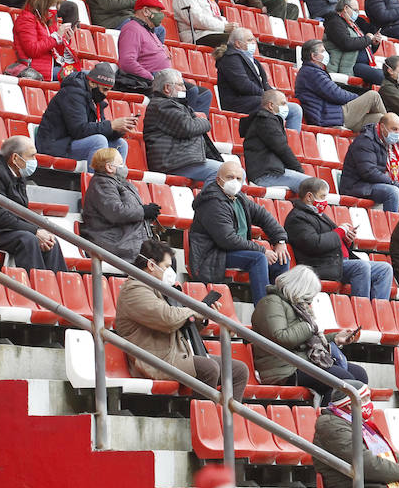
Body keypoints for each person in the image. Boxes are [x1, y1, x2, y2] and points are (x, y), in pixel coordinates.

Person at [116, 238, 249, 394]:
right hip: (155, 359)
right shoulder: (134, 290)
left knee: (239, 370)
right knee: (209, 369)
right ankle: (203, 415)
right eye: (166, 266)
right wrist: (196, 310)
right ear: (151, 265)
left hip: (177, 353)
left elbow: (183, 324)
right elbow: (168, 318)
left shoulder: (160, 289)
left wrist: (203, 315)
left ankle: (224, 417)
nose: (170, 272)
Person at [251, 265, 368, 397]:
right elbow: (281, 337)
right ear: (298, 289)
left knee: (359, 375)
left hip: (302, 361)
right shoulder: (270, 303)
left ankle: (348, 416)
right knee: (344, 381)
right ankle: (330, 417)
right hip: (284, 368)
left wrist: (334, 338)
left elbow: (307, 338)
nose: (310, 300)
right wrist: (309, 326)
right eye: (308, 296)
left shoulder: (296, 306)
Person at [188, 160, 290, 303]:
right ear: (219, 180)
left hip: (235, 250)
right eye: (230, 177)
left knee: (281, 259)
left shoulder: (239, 198)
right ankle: (264, 309)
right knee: (258, 258)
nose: (234, 181)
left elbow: (265, 217)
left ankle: (280, 306)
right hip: (214, 254)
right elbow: (227, 239)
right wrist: (262, 250)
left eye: (238, 178)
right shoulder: (212, 202)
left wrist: (279, 241)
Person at [0, 136, 67, 271]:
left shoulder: (17, 174)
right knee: (28, 239)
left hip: (2, 227)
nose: (35, 161)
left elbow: (20, 211)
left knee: (50, 240)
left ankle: (55, 288)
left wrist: (40, 229)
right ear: (15, 158)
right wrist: (34, 231)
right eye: (32, 156)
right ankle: (36, 288)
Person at [284, 178, 392, 300]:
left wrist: (347, 239)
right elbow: (314, 244)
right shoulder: (297, 218)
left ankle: (378, 311)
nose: (325, 200)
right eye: (322, 196)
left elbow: (335, 237)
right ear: (309, 196)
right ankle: (363, 311)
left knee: (385, 269)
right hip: (321, 265)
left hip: (338, 261)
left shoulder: (318, 214)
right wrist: (340, 232)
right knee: (361, 267)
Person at [118, 0, 213, 114]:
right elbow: (127, 61)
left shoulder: (148, 30)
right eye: (158, 11)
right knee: (190, 91)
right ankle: (184, 126)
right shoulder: (132, 28)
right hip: (149, 82)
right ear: (146, 11)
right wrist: (151, 77)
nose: (161, 16)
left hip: (164, 78)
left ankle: (195, 127)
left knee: (204, 94)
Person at [34, 62, 133, 165]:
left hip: (71, 142)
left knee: (121, 144)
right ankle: (96, 180)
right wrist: (111, 125)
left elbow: (97, 128)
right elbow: (78, 130)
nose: (106, 94)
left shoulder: (95, 97)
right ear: (92, 83)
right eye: (104, 89)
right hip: (56, 144)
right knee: (98, 141)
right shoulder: (72, 93)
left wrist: (118, 130)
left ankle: (116, 180)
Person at [143, 69, 222, 182]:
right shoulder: (162, 105)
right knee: (222, 173)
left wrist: (199, 121)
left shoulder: (176, 105)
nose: (184, 89)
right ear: (167, 88)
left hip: (182, 161)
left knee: (234, 172)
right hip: (173, 163)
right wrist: (205, 122)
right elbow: (188, 127)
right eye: (180, 85)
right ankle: (209, 200)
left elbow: (191, 125)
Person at [80, 148, 156, 262]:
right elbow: (115, 212)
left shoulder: (120, 183)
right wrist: (143, 211)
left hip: (127, 239)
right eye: (120, 163)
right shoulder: (102, 183)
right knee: (159, 260)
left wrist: (146, 213)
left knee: (167, 258)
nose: (124, 166)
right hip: (115, 242)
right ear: (109, 167)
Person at [216, 30, 300, 127]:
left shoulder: (252, 60)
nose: (253, 43)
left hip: (255, 99)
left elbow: (265, 84)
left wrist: (276, 95)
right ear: (238, 44)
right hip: (239, 103)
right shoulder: (231, 58)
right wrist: (267, 96)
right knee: (293, 110)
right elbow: (243, 84)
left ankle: (285, 140)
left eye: (253, 40)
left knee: (290, 107)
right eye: (249, 40)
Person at [240, 90, 307, 191]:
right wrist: (299, 170)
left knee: (315, 185)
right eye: (283, 103)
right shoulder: (265, 121)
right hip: (266, 176)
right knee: (314, 185)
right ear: (271, 105)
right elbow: (282, 148)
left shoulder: (267, 120)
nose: (286, 107)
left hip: (272, 173)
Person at [10, 0, 71, 79]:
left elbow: (57, 51)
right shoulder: (26, 19)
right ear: (42, 3)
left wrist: (64, 39)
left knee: (86, 75)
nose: (55, 9)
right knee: (82, 77)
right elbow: (32, 50)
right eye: (53, 5)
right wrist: (56, 37)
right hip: (37, 69)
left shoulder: (49, 20)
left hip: (54, 66)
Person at [294, 39, 358, 129]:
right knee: (372, 96)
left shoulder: (314, 71)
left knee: (377, 117)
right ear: (313, 56)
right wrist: (359, 99)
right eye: (322, 51)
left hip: (334, 115)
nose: (326, 54)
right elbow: (337, 94)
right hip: (327, 119)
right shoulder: (312, 73)